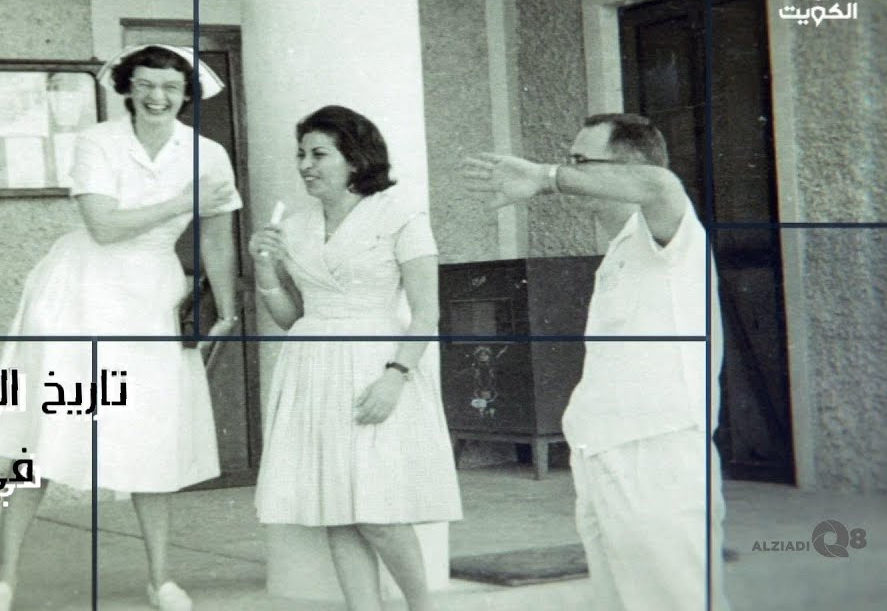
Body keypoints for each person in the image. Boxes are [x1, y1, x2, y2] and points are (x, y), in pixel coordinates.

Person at [0, 44, 242, 611]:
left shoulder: (210, 155)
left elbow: (217, 235)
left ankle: (160, 579)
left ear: (187, 95)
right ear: (126, 87)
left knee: (152, 435)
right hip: (79, 292)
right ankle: (3, 578)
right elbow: (103, 227)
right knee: (43, 431)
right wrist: (184, 199)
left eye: (169, 87)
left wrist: (225, 308)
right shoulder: (98, 141)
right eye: (144, 84)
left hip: (151, 299)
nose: (156, 97)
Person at [461, 112, 729, 611]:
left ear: (629, 168)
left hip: (657, 456)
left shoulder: (672, 236)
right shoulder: (622, 249)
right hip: (604, 455)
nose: (571, 172)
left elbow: (662, 184)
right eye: (568, 162)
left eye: (580, 161)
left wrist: (546, 177)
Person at [251, 105, 462, 611]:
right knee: (338, 512)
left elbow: (427, 312)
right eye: (301, 154)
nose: (305, 165)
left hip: (376, 367)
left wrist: (395, 377)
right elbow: (292, 317)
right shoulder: (295, 227)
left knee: (380, 513)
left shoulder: (400, 215)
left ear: (355, 158)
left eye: (318, 154)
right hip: (313, 370)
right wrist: (265, 269)